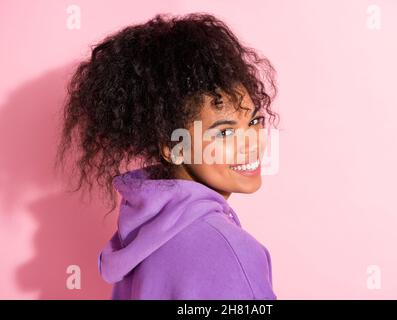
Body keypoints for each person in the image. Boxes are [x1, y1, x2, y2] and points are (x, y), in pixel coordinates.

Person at [55, 12, 279, 300]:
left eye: (254, 122)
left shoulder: (143, 234)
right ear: (175, 147)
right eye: (224, 133)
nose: (251, 143)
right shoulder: (229, 250)